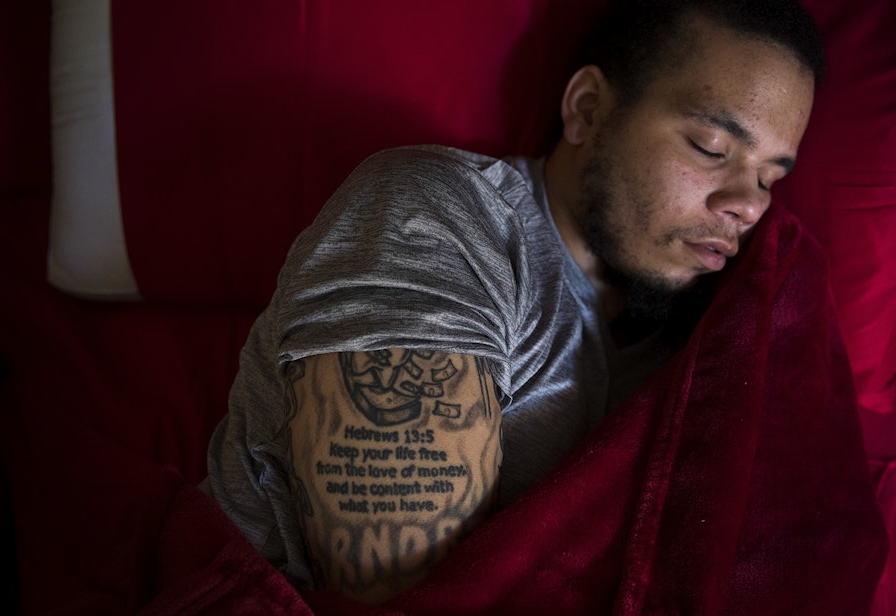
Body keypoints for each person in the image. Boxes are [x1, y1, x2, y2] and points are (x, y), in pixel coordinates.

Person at [202, 0, 826, 605]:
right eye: (712, 148)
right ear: (588, 110)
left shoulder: (710, 331)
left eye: (772, 177)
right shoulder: (437, 220)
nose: (749, 205)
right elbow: (405, 600)